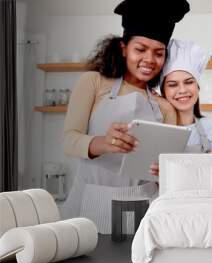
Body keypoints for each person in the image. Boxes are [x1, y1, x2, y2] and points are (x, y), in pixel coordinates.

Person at [61, 0, 190, 234]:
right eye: (140, 49)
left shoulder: (165, 107)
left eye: (159, 53)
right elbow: (69, 140)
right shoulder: (94, 82)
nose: (150, 60)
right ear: (123, 48)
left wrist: (165, 172)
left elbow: (168, 171)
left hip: (144, 206)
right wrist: (103, 143)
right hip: (89, 202)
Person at [150, 39, 212, 175]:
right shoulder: (153, 130)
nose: (182, 90)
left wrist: (174, 171)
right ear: (163, 91)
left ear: (197, 86)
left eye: (189, 82)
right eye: (172, 85)